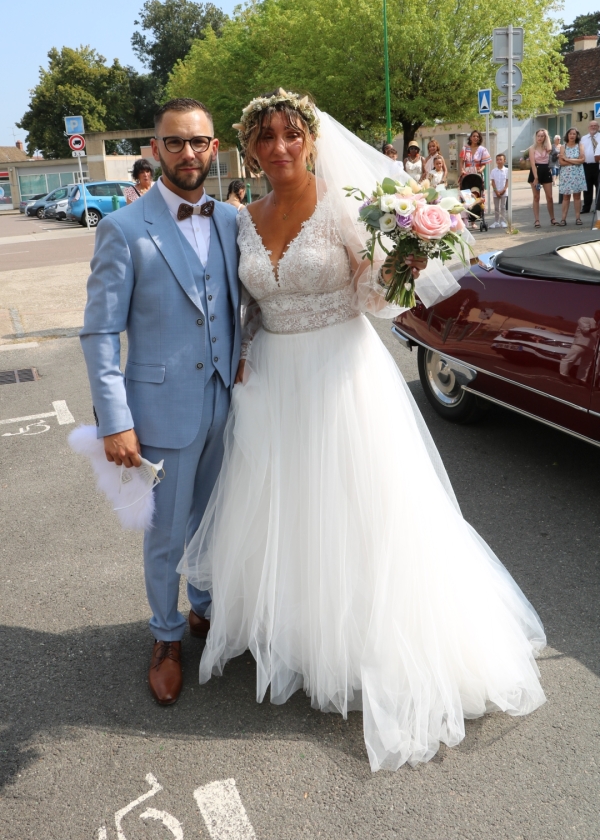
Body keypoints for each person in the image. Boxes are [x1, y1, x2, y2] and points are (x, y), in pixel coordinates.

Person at [178, 90, 546, 772]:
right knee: (286, 512)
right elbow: (242, 304)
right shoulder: (242, 219)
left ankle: (367, 643)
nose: (280, 148)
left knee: (361, 510)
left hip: (343, 376)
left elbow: (377, 301)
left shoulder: (347, 205)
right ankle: (300, 631)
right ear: (251, 149)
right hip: (270, 383)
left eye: (291, 135)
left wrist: (400, 266)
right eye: (266, 138)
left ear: (311, 140)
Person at [80, 98, 241, 706]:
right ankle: (166, 635)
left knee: (213, 518)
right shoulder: (123, 228)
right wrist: (114, 419)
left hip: (225, 402)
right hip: (160, 409)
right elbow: (99, 332)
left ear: (214, 146)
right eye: (174, 143)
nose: (188, 153)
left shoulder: (229, 220)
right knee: (166, 532)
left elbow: (235, 304)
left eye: (198, 142)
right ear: (155, 150)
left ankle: (202, 607)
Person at [528, 129, 557, 228]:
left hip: (546, 170)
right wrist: (536, 178)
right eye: (538, 136)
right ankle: (536, 220)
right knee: (536, 197)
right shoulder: (532, 148)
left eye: (542, 136)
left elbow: (550, 148)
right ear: (535, 137)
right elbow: (532, 164)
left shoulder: (546, 147)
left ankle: (552, 218)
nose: (540, 138)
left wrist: (546, 134)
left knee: (549, 197)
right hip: (535, 170)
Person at [559, 128, 587, 225]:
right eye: (570, 134)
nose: (572, 136)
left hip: (578, 174)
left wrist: (567, 159)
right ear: (567, 135)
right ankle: (563, 219)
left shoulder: (580, 146)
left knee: (577, 196)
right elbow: (561, 162)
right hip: (566, 174)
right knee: (566, 197)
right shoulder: (563, 147)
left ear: (577, 136)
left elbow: (582, 160)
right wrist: (575, 161)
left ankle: (578, 218)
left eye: (574, 134)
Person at [580, 120, 600, 214]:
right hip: (586, 165)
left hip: (598, 166)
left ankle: (597, 208)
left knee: (598, 186)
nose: (593, 127)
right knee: (587, 187)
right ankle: (586, 207)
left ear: (598, 127)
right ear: (588, 127)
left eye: (595, 125)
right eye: (591, 126)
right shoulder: (583, 138)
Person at [490, 153, 509, 228]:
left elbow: (507, 181)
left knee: (503, 206)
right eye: (497, 159)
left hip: (504, 192)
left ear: (504, 161)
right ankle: (496, 221)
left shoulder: (507, 170)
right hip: (496, 192)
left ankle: (503, 221)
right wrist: (496, 191)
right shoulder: (493, 171)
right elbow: (493, 182)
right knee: (496, 207)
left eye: (501, 159)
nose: (499, 161)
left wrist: (504, 189)